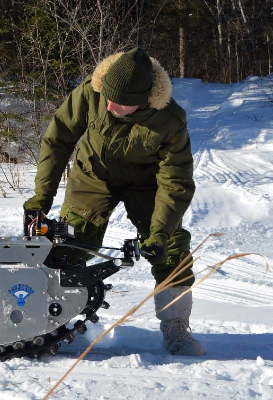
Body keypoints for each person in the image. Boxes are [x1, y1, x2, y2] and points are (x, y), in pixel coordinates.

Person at [23, 47, 204, 356]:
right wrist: (41, 198)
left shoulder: (170, 120)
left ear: (144, 99)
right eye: (106, 96)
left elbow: (176, 181)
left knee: (171, 247)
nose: (108, 104)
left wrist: (159, 232)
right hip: (92, 176)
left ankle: (176, 328)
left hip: (147, 183)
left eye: (119, 102)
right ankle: (55, 321)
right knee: (70, 242)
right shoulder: (91, 93)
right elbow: (59, 139)